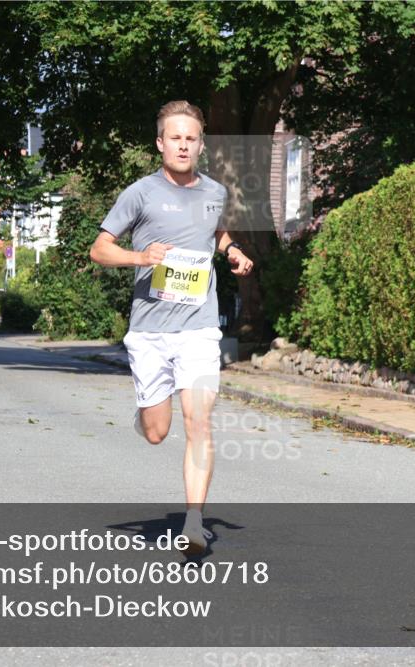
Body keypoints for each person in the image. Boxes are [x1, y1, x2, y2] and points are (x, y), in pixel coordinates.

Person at [89, 100, 254, 556]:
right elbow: (100, 250)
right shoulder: (138, 194)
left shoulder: (216, 193)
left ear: (201, 145)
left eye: (191, 138)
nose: (183, 145)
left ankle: (194, 524)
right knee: (158, 430)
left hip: (199, 328)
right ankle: (144, 416)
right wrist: (140, 257)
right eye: (175, 137)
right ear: (160, 143)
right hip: (150, 330)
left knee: (199, 421)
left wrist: (233, 251)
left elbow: (215, 231)